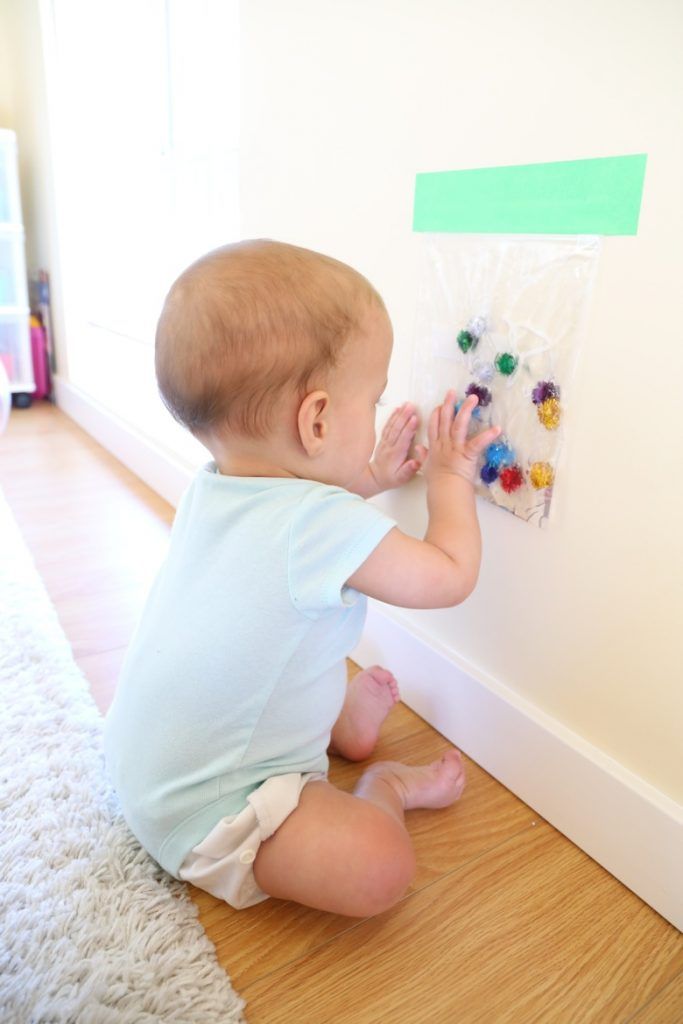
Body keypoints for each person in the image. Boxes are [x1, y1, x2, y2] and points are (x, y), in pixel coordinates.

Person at [104, 239, 501, 918]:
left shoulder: (216, 488)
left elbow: (304, 533)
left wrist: (371, 477)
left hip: (145, 770)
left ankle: (339, 730)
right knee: (380, 869)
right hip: (213, 813)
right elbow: (448, 576)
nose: (376, 414)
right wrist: (449, 480)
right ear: (316, 419)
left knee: (287, 651)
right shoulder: (318, 527)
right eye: (370, 402)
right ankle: (383, 783)